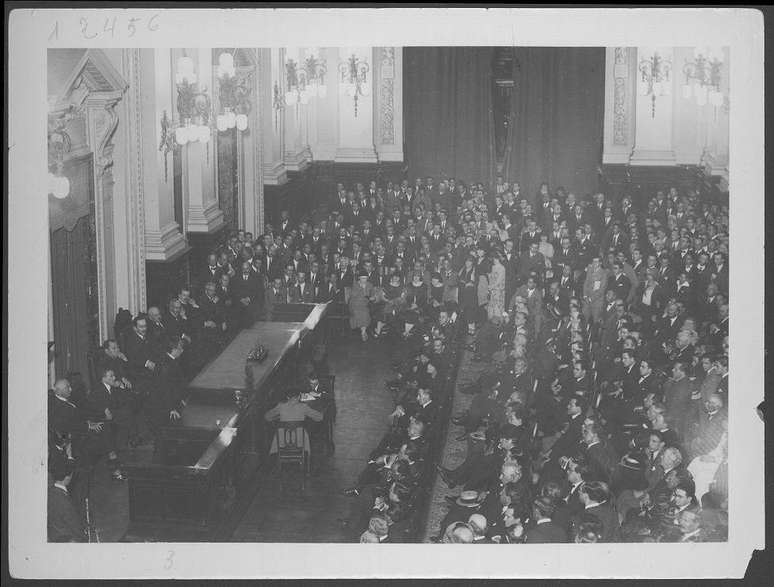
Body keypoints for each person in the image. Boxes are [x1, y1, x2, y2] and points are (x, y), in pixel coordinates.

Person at [349, 271, 375, 342]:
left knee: (365, 311)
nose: (364, 280)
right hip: (355, 303)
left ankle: (363, 332)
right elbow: (352, 295)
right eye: (362, 278)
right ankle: (363, 332)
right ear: (359, 278)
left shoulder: (370, 285)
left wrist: (372, 297)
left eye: (365, 278)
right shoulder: (356, 284)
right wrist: (361, 288)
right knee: (359, 311)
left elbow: (373, 294)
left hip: (365, 303)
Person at [487, 254, 506, 320]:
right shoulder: (493, 267)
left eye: (496, 259)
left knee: (497, 306)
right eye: (494, 259)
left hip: (498, 290)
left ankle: (498, 322)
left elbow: (499, 280)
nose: (495, 260)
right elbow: (491, 278)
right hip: (492, 290)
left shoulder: (502, 268)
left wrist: (492, 286)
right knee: (491, 306)